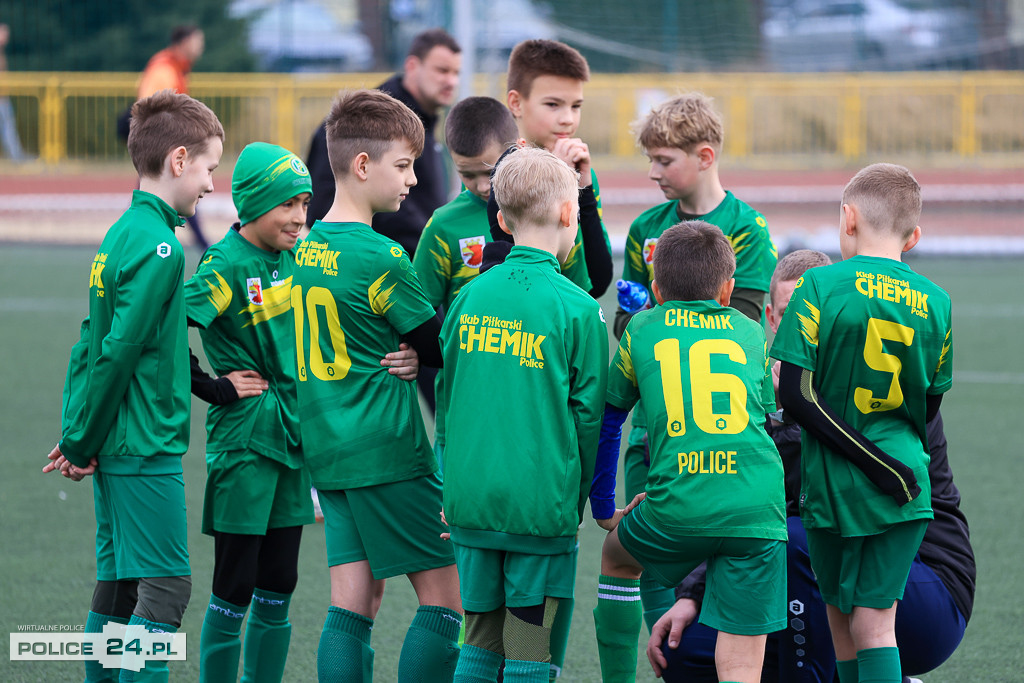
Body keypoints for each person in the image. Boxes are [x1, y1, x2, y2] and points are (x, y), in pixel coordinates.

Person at [647, 250, 975, 683]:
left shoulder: (880, 388)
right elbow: (736, 512)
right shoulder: (753, 392)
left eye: (815, 314)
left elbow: (827, 498)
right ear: (770, 318)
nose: (803, 327)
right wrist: (693, 591)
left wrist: (795, 412)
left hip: (921, 585)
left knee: (797, 541)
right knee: (685, 652)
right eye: (790, 313)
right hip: (819, 579)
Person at [43, 90, 224, 683]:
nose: (210, 185)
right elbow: (117, 351)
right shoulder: (161, 245)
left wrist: (79, 433)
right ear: (178, 160)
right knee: (166, 589)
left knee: (121, 586)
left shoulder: (123, 231)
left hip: (117, 439)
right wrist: (79, 440)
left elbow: (87, 343)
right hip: (144, 442)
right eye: (208, 168)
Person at [294, 88, 461, 683]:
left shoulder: (304, 247)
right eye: (404, 165)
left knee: (352, 605)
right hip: (387, 450)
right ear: (362, 165)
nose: (414, 179)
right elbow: (440, 345)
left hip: (328, 448)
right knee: (447, 602)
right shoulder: (382, 256)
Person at [771, 163, 954, 683]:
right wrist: (883, 461)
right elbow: (928, 406)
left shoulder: (820, 285)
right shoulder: (937, 301)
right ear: (913, 237)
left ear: (847, 219)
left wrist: (868, 463)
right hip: (901, 481)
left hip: (832, 484)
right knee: (861, 625)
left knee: (856, 624)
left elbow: (795, 394)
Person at [439, 146, 609, 683]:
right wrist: (573, 503)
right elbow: (588, 420)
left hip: (470, 501)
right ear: (569, 213)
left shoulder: (468, 298)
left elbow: (447, 400)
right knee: (528, 646)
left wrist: (450, 487)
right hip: (539, 507)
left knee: (479, 640)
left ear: (503, 220)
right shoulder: (579, 308)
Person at [591, 221, 787, 683]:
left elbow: (609, 420)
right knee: (741, 666)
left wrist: (603, 508)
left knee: (617, 558)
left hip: (677, 505)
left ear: (656, 291)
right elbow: (767, 416)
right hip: (756, 508)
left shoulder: (641, 327)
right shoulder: (750, 331)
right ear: (728, 290)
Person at [613, 92, 778, 631]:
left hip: (720, 431)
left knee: (718, 560)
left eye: (664, 160)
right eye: (650, 160)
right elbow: (626, 324)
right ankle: (671, 662)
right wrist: (637, 316)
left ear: (705, 156)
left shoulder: (746, 228)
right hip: (653, 423)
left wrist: (659, 319)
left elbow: (745, 322)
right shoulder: (645, 229)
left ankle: (701, 653)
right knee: (650, 563)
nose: (653, 172)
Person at [411, 96, 517, 466]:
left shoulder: (539, 209)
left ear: (516, 149)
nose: (482, 185)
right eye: (466, 174)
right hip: (464, 399)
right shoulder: (444, 225)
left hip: (529, 388)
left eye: (489, 171)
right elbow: (417, 308)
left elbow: (578, 289)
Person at [305, 28, 461, 257]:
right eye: (442, 70)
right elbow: (325, 200)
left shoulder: (423, 120)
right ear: (412, 66)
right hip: (368, 265)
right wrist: (433, 247)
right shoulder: (367, 121)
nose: (451, 81)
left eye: (456, 73)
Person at [480, 39, 613, 299]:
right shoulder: (506, 175)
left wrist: (583, 187)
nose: (568, 119)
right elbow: (517, 278)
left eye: (576, 106)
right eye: (553, 105)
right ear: (516, 103)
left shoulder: (581, 170)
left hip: (571, 314)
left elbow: (598, 280)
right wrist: (553, 180)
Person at [129, 24, 211, 250]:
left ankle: (134, 239)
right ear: (184, 43)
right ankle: (203, 245)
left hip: (164, 143)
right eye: (197, 41)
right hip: (161, 144)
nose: (201, 47)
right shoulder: (165, 70)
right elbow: (152, 109)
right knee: (169, 191)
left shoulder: (174, 68)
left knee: (153, 194)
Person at [0, 23, 27, 161]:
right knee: (8, 125)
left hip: (3, 95)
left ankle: (16, 155)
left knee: (8, 125)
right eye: (3, 33)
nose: (6, 37)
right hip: (1, 97)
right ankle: (16, 156)